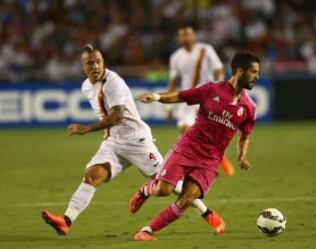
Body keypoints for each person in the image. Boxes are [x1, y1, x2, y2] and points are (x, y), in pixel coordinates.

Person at [41, 45, 225, 236]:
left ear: (103, 62)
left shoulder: (113, 83)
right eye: (90, 63)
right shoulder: (86, 86)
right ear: (82, 68)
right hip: (113, 142)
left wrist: (86, 129)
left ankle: (207, 213)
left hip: (137, 140)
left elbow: (117, 117)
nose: (95, 66)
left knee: (167, 185)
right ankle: (66, 221)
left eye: (98, 62)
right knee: (91, 176)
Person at [130, 51, 259, 241]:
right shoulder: (211, 89)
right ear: (240, 71)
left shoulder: (249, 108)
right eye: (253, 72)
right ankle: (146, 190)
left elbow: (244, 135)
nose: (257, 77)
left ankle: (146, 231)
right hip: (187, 147)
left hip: (210, 159)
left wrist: (241, 156)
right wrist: (157, 97)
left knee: (186, 199)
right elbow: (181, 96)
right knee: (163, 190)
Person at [168, 25, 235, 176]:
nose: (186, 37)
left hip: (207, 96)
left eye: (189, 34)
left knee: (205, 132)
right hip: (188, 98)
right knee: (186, 130)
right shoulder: (176, 57)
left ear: (194, 36)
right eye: (183, 35)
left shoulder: (205, 49)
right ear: (179, 39)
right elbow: (173, 81)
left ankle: (214, 158)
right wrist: (168, 108)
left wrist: (219, 88)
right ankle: (188, 164)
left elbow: (218, 68)